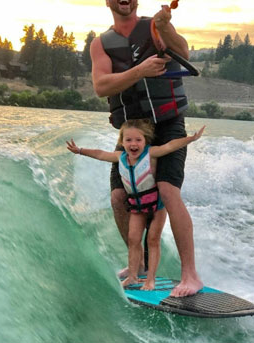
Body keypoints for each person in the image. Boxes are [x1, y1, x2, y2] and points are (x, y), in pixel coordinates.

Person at [90, 0, 203, 296]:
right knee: (118, 197)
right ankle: (138, 264)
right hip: (132, 131)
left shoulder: (154, 27)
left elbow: (183, 52)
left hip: (167, 123)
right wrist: (139, 71)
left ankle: (190, 276)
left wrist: (165, 26)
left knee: (167, 189)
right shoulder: (101, 44)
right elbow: (101, 86)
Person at [66, 120, 205, 290]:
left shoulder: (151, 154)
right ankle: (132, 276)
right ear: (122, 142)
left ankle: (150, 280)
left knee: (153, 240)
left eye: (138, 140)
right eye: (129, 140)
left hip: (156, 207)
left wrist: (190, 139)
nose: (133, 144)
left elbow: (169, 146)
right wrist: (80, 151)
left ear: (145, 141)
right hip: (138, 208)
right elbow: (100, 154)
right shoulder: (120, 157)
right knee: (133, 239)